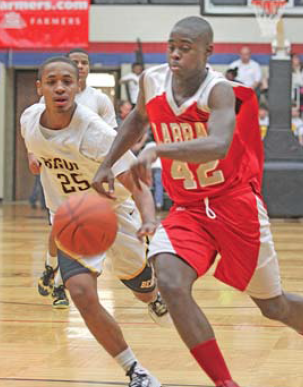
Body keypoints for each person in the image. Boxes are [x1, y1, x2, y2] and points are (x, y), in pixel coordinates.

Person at [92, 16, 303, 387]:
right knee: (170, 282)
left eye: (185, 48)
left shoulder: (217, 90)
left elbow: (217, 144)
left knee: (274, 306)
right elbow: (137, 120)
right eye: (171, 45)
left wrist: (159, 148)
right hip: (188, 210)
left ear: (208, 52)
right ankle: (225, 383)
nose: (175, 53)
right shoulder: (151, 80)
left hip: (234, 205)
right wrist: (107, 163)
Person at [21, 56, 172, 387]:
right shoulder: (29, 120)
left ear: (78, 87)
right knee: (80, 291)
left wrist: (149, 219)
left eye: (66, 82)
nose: (59, 87)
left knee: (141, 288)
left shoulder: (97, 133)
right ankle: (135, 370)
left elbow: (139, 185)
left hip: (115, 212)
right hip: (73, 219)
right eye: (51, 82)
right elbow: (35, 145)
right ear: (40, 88)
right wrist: (34, 157)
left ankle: (153, 294)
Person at [37, 48, 118, 308]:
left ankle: (60, 285)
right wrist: (33, 154)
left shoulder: (100, 100)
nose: (80, 66)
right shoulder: (48, 99)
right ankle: (50, 267)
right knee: (58, 230)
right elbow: (35, 130)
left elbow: (112, 137)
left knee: (73, 232)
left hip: (88, 177)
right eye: (76, 62)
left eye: (84, 63)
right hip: (59, 173)